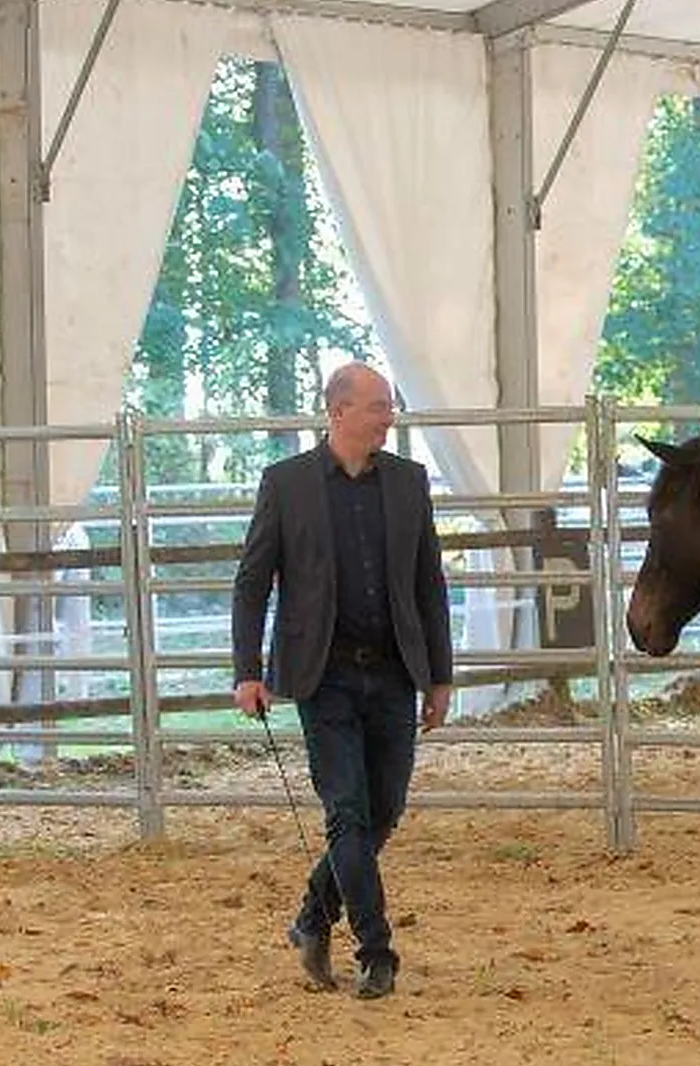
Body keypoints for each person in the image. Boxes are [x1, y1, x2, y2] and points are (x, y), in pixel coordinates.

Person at [232, 362, 453, 999]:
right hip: (321, 675)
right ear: (338, 412)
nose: (389, 417)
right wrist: (248, 671)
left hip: (394, 672)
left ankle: (311, 918)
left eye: (388, 406)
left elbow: (429, 584)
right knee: (347, 813)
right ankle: (376, 950)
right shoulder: (286, 483)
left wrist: (439, 676)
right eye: (379, 406)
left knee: (383, 812)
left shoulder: (409, 482)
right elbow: (253, 582)